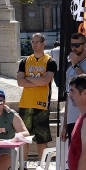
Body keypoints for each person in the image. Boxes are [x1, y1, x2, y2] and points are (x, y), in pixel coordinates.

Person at [16, 33, 56, 163]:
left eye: (37, 42)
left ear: (44, 43)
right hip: (25, 104)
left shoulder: (50, 61)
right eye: (32, 42)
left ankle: (42, 166)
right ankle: (23, 166)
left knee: (42, 139)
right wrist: (37, 81)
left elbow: (45, 81)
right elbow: (20, 82)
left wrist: (28, 78)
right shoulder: (24, 61)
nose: (34, 44)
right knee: (24, 138)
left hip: (42, 105)